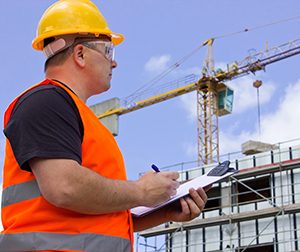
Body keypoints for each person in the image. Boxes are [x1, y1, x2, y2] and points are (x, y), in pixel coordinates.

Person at [0, 0, 208, 251]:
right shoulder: (45, 102)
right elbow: (64, 187)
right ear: (80, 54)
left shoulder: (77, 114)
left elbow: (95, 213)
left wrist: (164, 212)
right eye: (109, 51)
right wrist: (141, 191)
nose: (114, 63)